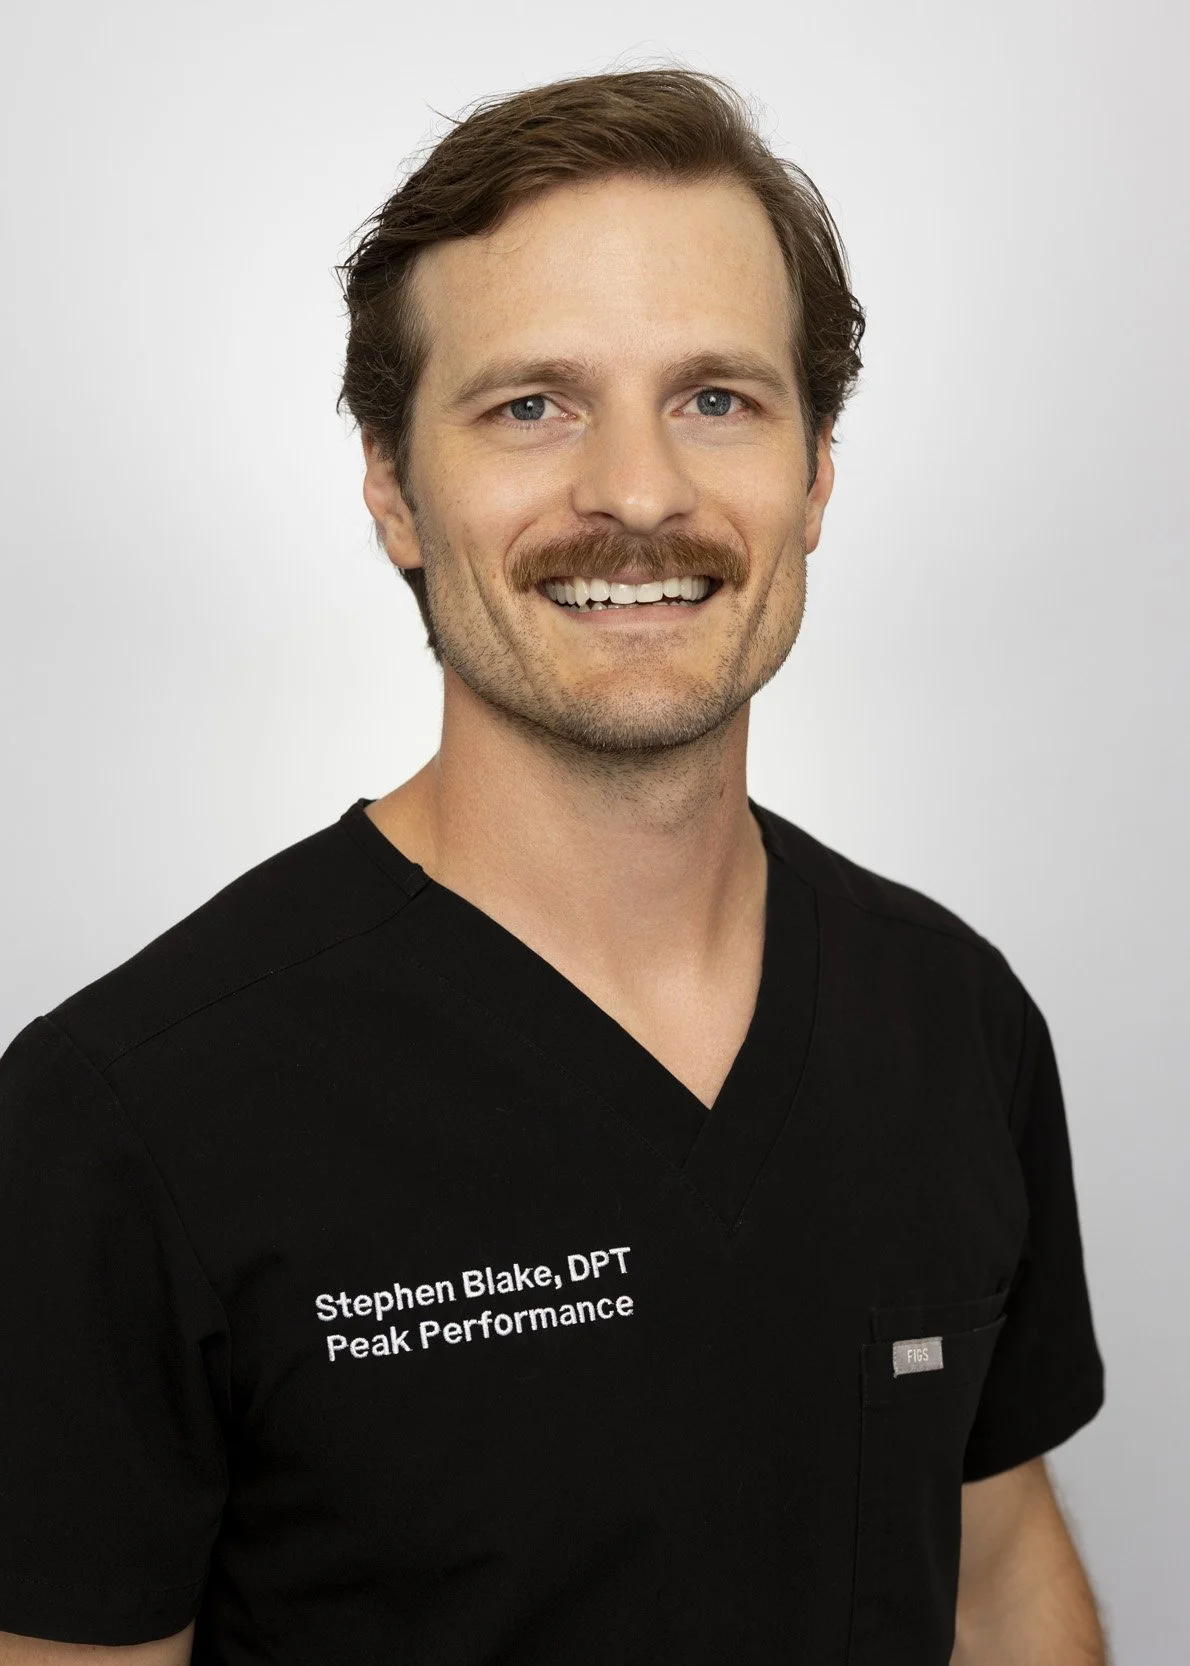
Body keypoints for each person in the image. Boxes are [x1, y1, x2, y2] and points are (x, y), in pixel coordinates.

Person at [0, 66, 1108, 1666]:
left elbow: (994, 1578)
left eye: (716, 397)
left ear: (813, 479)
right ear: (393, 488)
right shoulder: (125, 1118)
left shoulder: (952, 1018)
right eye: (533, 404)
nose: (638, 492)